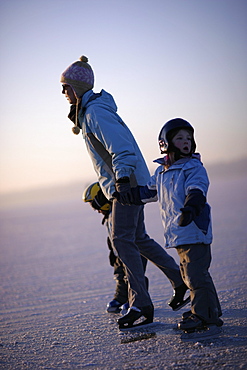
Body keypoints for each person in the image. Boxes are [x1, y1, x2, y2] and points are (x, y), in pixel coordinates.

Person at [60, 56, 189, 329]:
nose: (63, 92)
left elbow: (122, 149)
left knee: (121, 240)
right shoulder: (91, 113)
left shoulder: (95, 113)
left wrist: (121, 183)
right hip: (127, 183)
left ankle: (140, 304)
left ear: (78, 88)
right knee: (138, 238)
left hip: (126, 185)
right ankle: (180, 281)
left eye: (66, 87)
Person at [131, 118, 223, 332]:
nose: (186, 141)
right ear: (165, 142)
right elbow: (149, 192)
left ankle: (202, 315)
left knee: (195, 275)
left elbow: (197, 188)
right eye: (180, 138)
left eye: (189, 138)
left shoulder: (193, 167)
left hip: (194, 229)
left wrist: (192, 207)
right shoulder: (162, 172)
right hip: (178, 233)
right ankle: (211, 310)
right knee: (191, 274)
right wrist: (129, 195)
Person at [83, 181, 149, 314]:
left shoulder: (120, 212)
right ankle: (121, 297)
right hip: (119, 253)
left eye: (94, 205)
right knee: (120, 275)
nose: (96, 210)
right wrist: (113, 252)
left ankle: (138, 300)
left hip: (133, 251)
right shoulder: (108, 217)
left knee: (133, 275)